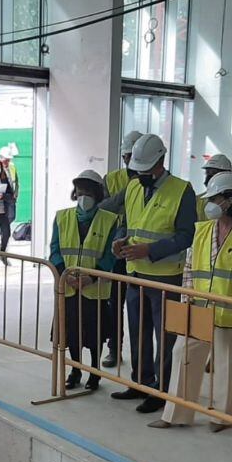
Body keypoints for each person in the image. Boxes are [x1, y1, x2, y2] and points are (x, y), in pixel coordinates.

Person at [150, 172, 232, 431]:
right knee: (183, 355)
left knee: (228, 366)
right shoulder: (201, 231)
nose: (210, 203)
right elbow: (190, 270)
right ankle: (175, 414)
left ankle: (222, 417)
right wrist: (186, 300)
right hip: (199, 308)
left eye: (215, 198)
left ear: (229, 199)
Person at [109, 134, 198, 414]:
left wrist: (151, 250)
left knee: (165, 337)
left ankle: (161, 391)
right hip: (135, 274)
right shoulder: (134, 186)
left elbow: (186, 236)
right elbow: (130, 224)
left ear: (161, 160)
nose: (141, 173)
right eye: (139, 168)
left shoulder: (182, 190)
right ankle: (140, 382)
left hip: (164, 277)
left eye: (147, 168)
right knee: (138, 332)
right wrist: (120, 239)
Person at [49, 170, 118, 391]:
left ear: (97, 194)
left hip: (94, 289)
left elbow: (110, 254)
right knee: (72, 333)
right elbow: (55, 250)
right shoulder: (62, 217)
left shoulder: (110, 220)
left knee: (95, 333)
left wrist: (93, 275)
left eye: (88, 192)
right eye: (80, 191)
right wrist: (64, 274)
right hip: (68, 288)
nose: (83, 196)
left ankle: (95, 373)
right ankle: (75, 369)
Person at [101, 130, 144, 367]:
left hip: (142, 252)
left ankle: (141, 359)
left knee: (140, 310)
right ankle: (114, 349)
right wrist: (125, 195)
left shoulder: (157, 181)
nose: (131, 161)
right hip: (117, 250)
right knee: (115, 304)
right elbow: (103, 208)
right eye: (128, 156)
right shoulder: (112, 179)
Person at [196, 153, 232, 223]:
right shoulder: (198, 200)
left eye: (214, 173)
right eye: (207, 173)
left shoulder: (231, 201)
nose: (209, 176)